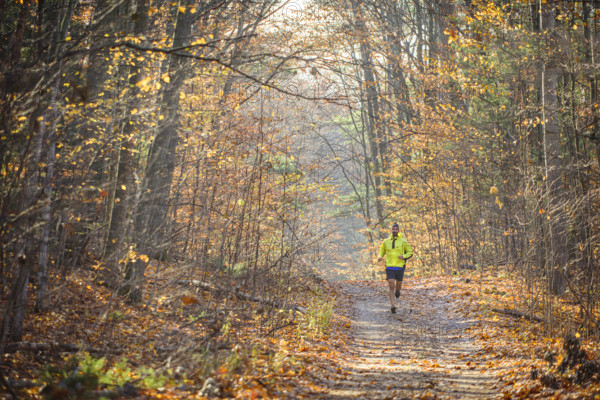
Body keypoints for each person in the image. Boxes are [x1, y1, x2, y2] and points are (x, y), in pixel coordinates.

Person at [378, 223, 413, 313]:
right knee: (391, 285)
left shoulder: (403, 241)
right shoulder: (386, 241)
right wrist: (380, 256)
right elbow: (382, 250)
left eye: (396, 229)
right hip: (389, 266)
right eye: (393, 229)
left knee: (398, 285)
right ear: (391, 230)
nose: (394, 231)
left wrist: (404, 256)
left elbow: (410, 252)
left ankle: (398, 291)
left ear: (398, 230)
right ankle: (393, 305)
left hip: (400, 266)